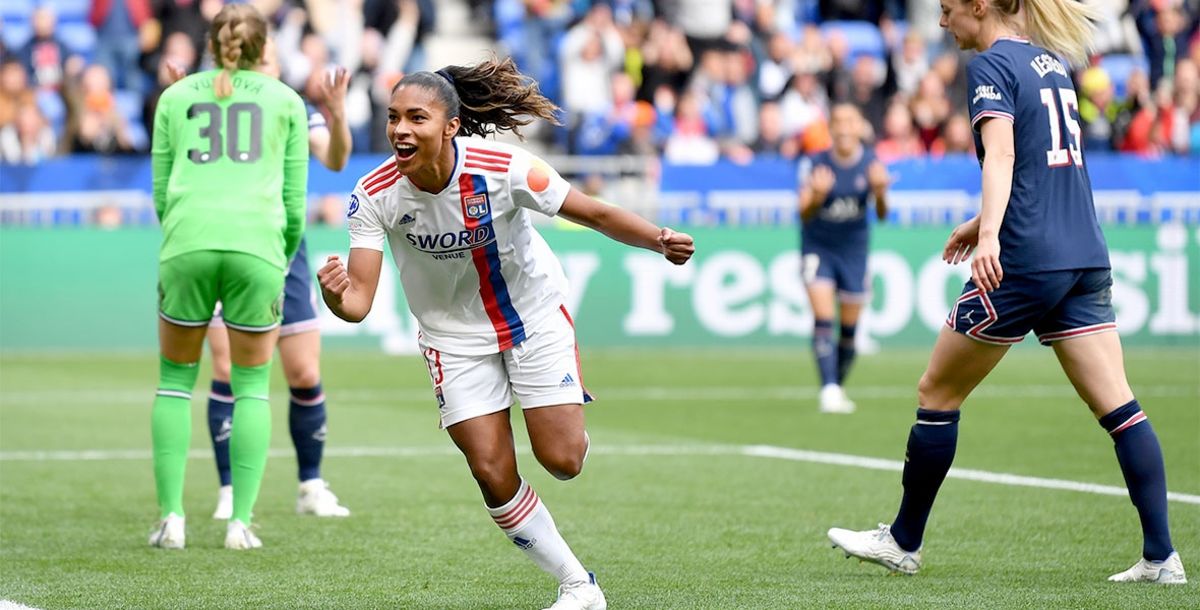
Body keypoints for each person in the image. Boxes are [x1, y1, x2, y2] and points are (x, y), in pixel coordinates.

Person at [827, 0, 1187, 584]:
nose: (943, 22)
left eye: (948, 10)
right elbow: (1050, 164)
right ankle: (1160, 556)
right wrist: (980, 221)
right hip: (1083, 253)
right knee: (1119, 406)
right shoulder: (1053, 63)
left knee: (936, 391)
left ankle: (903, 541)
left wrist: (991, 235)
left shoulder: (991, 65)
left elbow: (1002, 153)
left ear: (979, 7)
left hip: (1027, 258)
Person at [318, 57, 694, 610]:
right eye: (394, 117)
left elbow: (592, 212)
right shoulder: (374, 194)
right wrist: (335, 292)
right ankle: (577, 585)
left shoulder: (504, 166)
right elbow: (358, 303)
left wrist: (657, 240)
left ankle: (567, 410)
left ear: (449, 126)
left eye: (416, 118)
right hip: (451, 339)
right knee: (492, 471)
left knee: (563, 460)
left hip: (533, 317)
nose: (400, 129)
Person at [148, 3, 308, 551]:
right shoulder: (287, 101)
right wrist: (277, 254)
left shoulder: (175, 96)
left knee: (174, 380)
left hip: (187, 242)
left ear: (208, 44)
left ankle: (172, 519)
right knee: (253, 388)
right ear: (265, 48)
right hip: (257, 248)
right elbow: (294, 204)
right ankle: (240, 523)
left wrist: (182, 237)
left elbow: (161, 191)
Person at [200, 37, 354, 521]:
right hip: (230, 250)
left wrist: (337, 114)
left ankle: (310, 485)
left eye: (268, 60)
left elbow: (334, 159)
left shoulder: (293, 108)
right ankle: (229, 489)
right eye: (255, 61)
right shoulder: (217, 112)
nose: (263, 68)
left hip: (286, 253)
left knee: (305, 373)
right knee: (227, 370)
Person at [797, 103, 889, 414]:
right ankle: (829, 388)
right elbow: (803, 213)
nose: (845, 128)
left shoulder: (871, 163)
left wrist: (880, 192)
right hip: (819, 247)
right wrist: (818, 197)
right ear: (832, 129)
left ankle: (836, 384)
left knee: (849, 330)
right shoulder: (815, 163)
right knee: (823, 318)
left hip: (854, 251)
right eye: (838, 121)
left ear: (860, 126)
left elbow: (882, 215)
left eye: (851, 121)